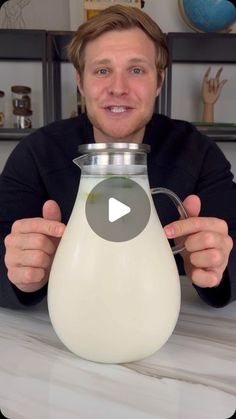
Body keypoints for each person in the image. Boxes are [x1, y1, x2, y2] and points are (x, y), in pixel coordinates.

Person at [0, 4, 235, 309]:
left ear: (158, 82)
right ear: (81, 82)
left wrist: (216, 267)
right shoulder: (36, 152)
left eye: (136, 69)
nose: (118, 88)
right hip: (73, 318)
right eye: (102, 70)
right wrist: (21, 275)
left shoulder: (198, 152)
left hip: (160, 317)